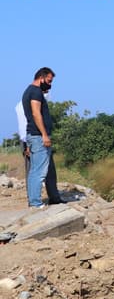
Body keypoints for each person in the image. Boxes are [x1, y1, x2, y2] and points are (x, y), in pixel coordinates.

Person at [21, 67, 64, 208]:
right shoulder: (34, 92)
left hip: (35, 136)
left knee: (46, 169)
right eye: (49, 81)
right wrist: (44, 134)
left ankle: (53, 198)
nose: (50, 84)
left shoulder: (32, 91)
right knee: (38, 172)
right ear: (41, 77)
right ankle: (35, 203)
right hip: (39, 136)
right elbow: (35, 114)